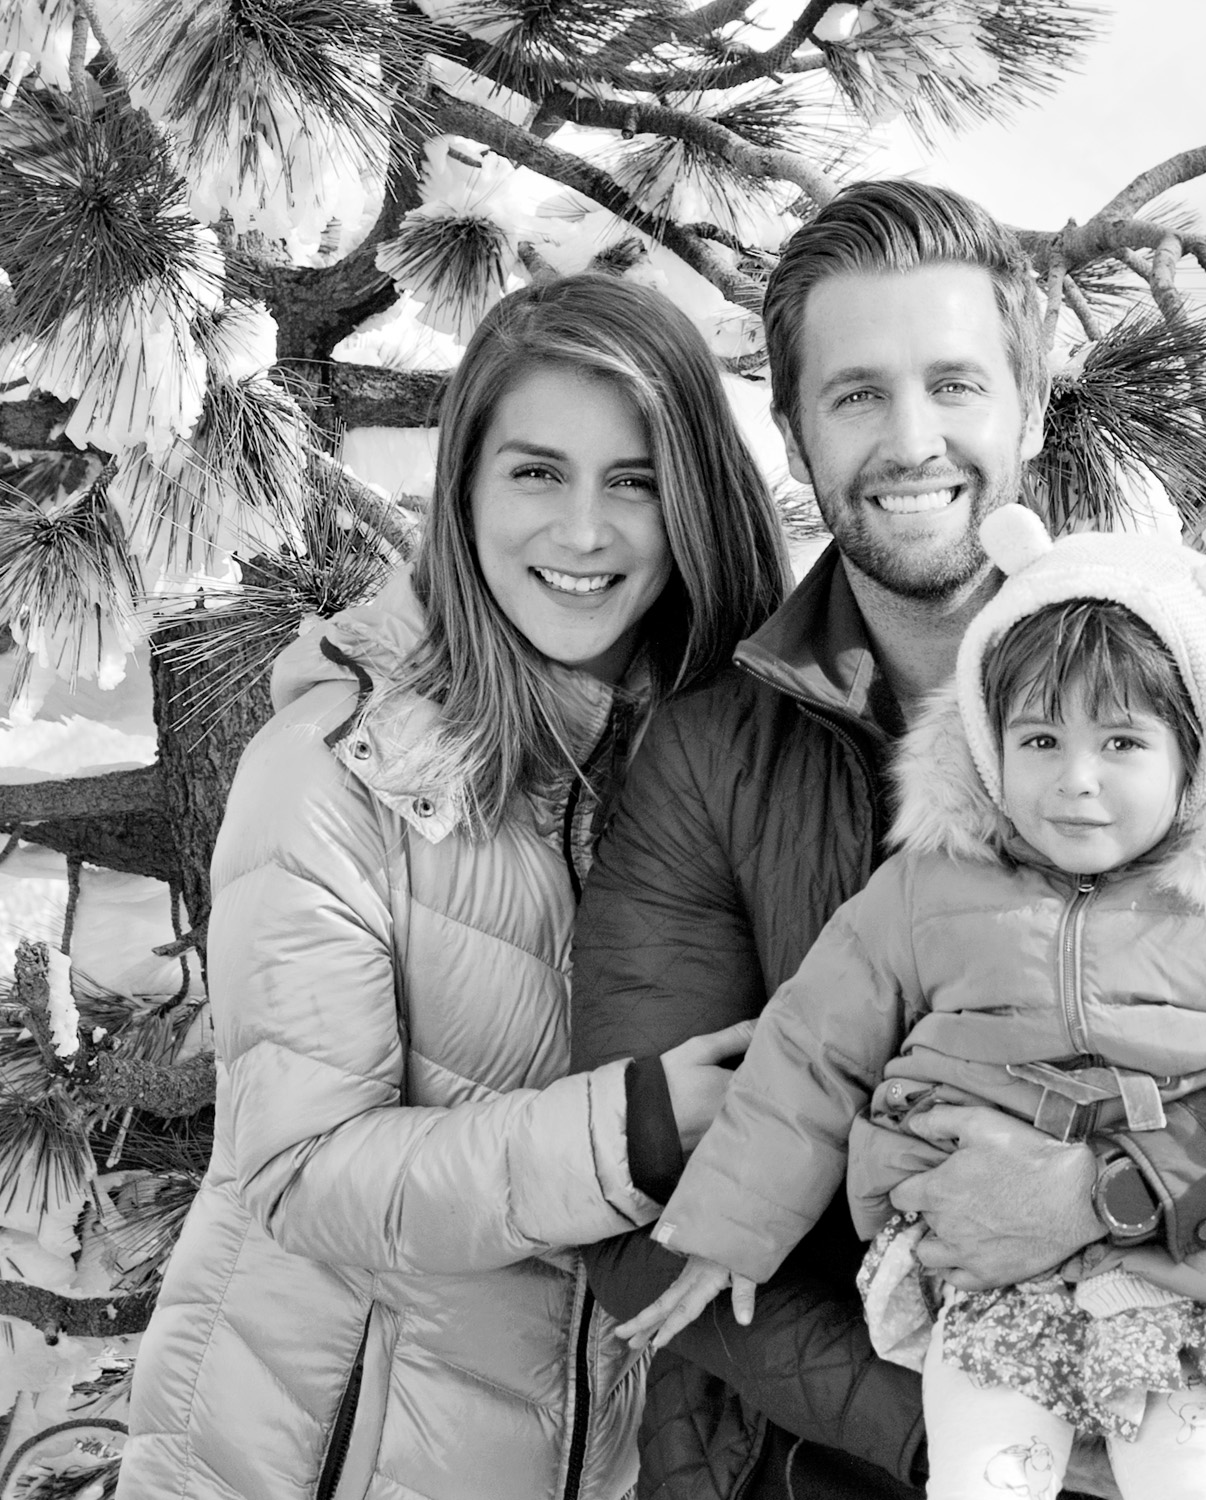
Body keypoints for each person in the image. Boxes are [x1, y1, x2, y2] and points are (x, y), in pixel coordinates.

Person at [569, 179, 1206, 1500]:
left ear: (1029, 408)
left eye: (954, 385)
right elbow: (655, 1196)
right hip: (881, 1450)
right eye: (856, 395)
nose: (912, 440)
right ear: (792, 432)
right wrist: (995, 1430)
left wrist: (1108, 1190)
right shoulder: (710, 763)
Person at [117, 274, 792, 1500]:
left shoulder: (730, 767)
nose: (582, 533)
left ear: (695, 499)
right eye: (536, 473)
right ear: (465, 488)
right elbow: (303, 1174)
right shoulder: (336, 773)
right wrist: (629, 1132)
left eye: (634, 481)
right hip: (316, 1459)